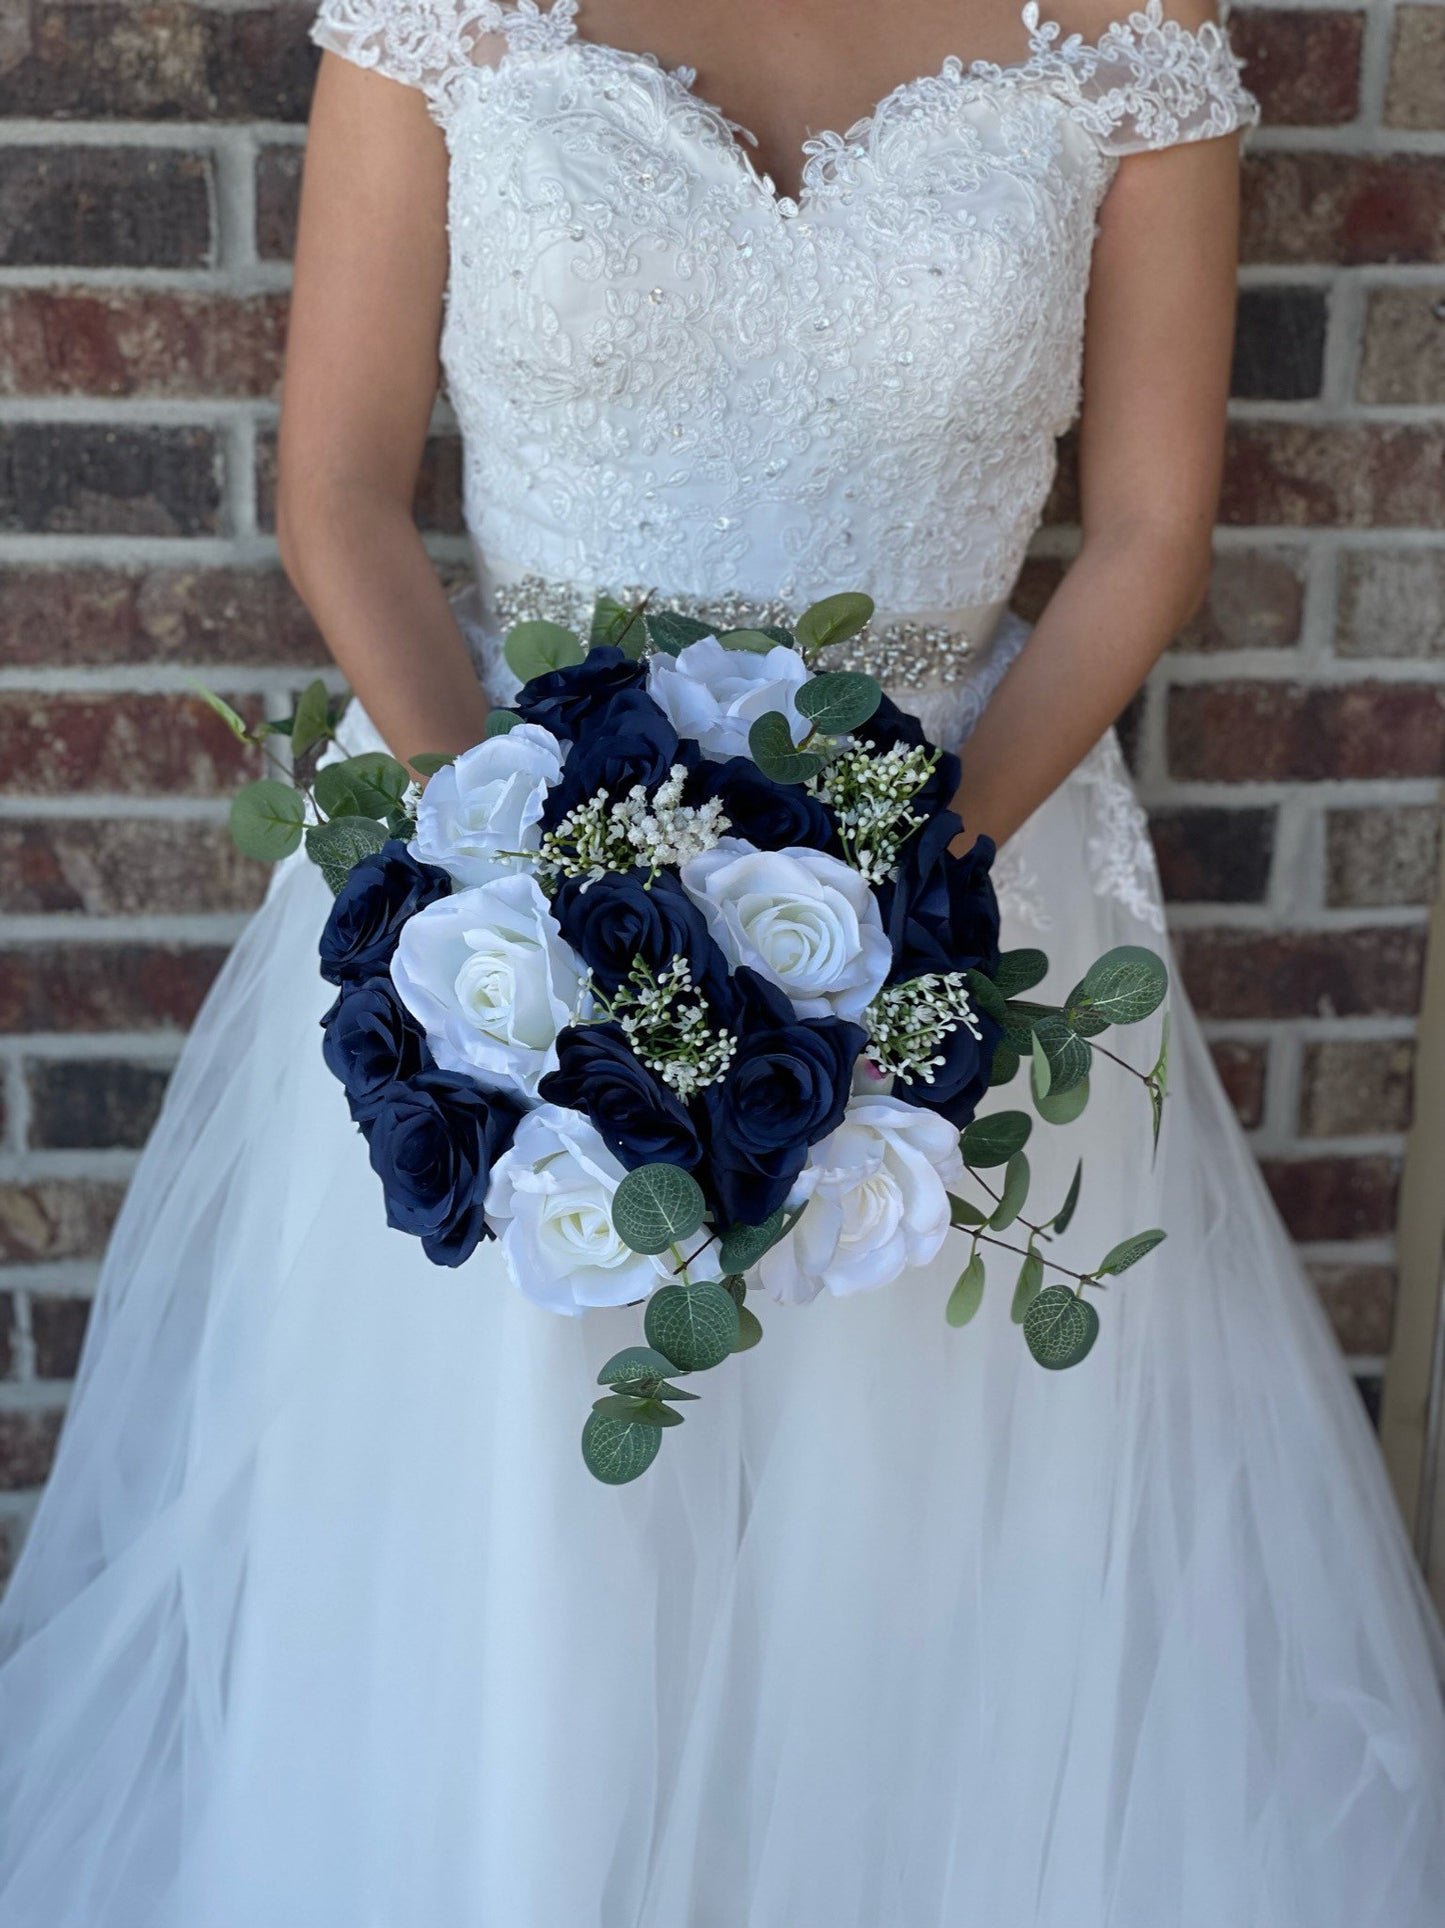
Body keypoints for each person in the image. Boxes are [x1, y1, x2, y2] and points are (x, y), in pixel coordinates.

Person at [3, 2, 1443, 1922]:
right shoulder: (443, 16)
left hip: (957, 880)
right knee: (512, 1549)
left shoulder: (1129, 32)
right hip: (487, 884)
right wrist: (512, 889)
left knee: (914, 1551)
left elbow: (1149, 534)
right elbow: (338, 489)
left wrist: (910, 903)